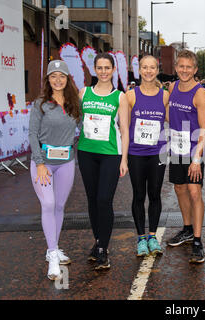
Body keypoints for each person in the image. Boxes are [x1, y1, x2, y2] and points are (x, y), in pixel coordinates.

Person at [29, 60, 81, 280]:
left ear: (68, 79)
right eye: (53, 76)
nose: (57, 80)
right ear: (48, 79)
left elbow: (82, 128)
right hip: (43, 163)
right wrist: (40, 163)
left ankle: (54, 246)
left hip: (66, 162)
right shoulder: (40, 103)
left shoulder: (74, 103)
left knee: (59, 205)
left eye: (62, 76)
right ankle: (52, 256)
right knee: (48, 204)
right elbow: (32, 135)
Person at [77, 53, 129, 270]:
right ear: (94, 69)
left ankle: (103, 248)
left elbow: (125, 130)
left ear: (113, 69)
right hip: (86, 152)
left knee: (104, 200)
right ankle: (99, 243)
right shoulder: (83, 93)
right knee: (92, 200)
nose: (104, 71)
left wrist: (124, 159)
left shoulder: (120, 97)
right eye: (100, 67)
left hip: (110, 154)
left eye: (107, 67)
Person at [165, 50, 205, 264]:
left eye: (188, 67)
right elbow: (167, 115)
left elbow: (204, 127)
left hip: (193, 151)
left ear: (195, 69)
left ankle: (198, 241)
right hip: (176, 149)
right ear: (176, 68)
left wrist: (197, 159)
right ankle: (187, 229)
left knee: (194, 192)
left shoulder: (199, 92)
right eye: (181, 66)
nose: (184, 70)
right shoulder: (172, 88)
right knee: (179, 188)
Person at [126, 55, 169, 257]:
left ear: (157, 70)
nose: (149, 71)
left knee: (155, 194)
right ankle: (141, 238)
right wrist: (122, 157)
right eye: (145, 67)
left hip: (157, 153)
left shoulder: (164, 96)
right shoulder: (130, 96)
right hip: (136, 153)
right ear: (139, 70)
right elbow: (123, 127)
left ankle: (152, 236)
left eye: (152, 67)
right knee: (138, 195)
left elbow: (176, 119)